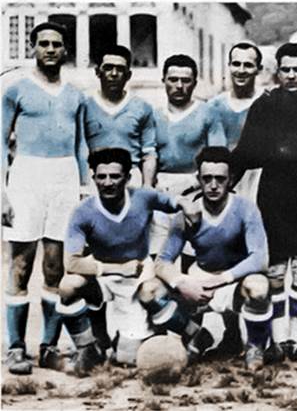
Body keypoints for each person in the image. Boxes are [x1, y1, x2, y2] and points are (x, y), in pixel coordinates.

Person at [232, 43, 297, 364]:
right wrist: (223, 185)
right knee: (275, 273)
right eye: (285, 69)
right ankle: (276, 341)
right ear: (277, 72)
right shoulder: (264, 106)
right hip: (274, 194)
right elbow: (245, 152)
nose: (291, 75)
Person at [55, 148, 197, 377]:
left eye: (115, 176)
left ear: (128, 177)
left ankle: (192, 332)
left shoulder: (142, 197)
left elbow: (171, 201)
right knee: (68, 285)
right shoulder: (83, 211)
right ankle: (88, 348)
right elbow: (71, 263)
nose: (107, 183)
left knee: (129, 359)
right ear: (93, 178)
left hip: (137, 276)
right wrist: (117, 268)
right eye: (101, 177)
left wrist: (185, 203)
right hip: (103, 274)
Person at [2, 22, 88, 375]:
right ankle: (15, 348)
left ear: (65, 50)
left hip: (64, 176)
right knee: (21, 265)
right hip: (27, 175)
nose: (50, 49)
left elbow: (80, 146)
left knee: (55, 266)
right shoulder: (15, 90)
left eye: (56, 44)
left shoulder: (75, 94)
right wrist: (2, 192)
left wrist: (83, 189)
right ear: (33, 48)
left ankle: (49, 348)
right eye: (44, 44)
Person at [140, 146, 272, 370]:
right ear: (198, 179)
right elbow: (163, 261)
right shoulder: (188, 213)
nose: (213, 185)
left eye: (220, 179)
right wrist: (182, 282)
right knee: (148, 291)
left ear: (231, 180)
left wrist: (221, 279)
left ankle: (254, 346)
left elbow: (260, 258)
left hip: (232, 282)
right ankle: (196, 334)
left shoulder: (245, 209)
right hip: (200, 280)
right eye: (207, 178)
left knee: (258, 286)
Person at [151, 54, 227, 268]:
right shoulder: (153, 115)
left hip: (196, 188)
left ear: (194, 82)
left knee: (192, 256)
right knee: (158, 255)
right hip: (161, 189)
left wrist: (194, 183)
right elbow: (146, 155)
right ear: (163, 80)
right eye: (173, 79)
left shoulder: (208, 113)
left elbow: (218, 156)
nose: (179, 86)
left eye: (185, 80)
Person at [83, 44, 157, 188]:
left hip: (130, 178)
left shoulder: (142, 107)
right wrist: (83, 185)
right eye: (108, 68)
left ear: (128, 75)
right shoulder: (84, 106)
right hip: (96, 177)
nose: (114, 73)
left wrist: (147, 186)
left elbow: (149, 153)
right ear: (97, 72)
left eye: (120, 69)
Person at [209, 42, 263, 201]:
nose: (241, 70)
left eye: (248, 65)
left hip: (257, 181)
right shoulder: (214, 105)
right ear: (229, 66)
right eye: (236, 64)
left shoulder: (268, 103)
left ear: (258, 69)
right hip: (219, 179)